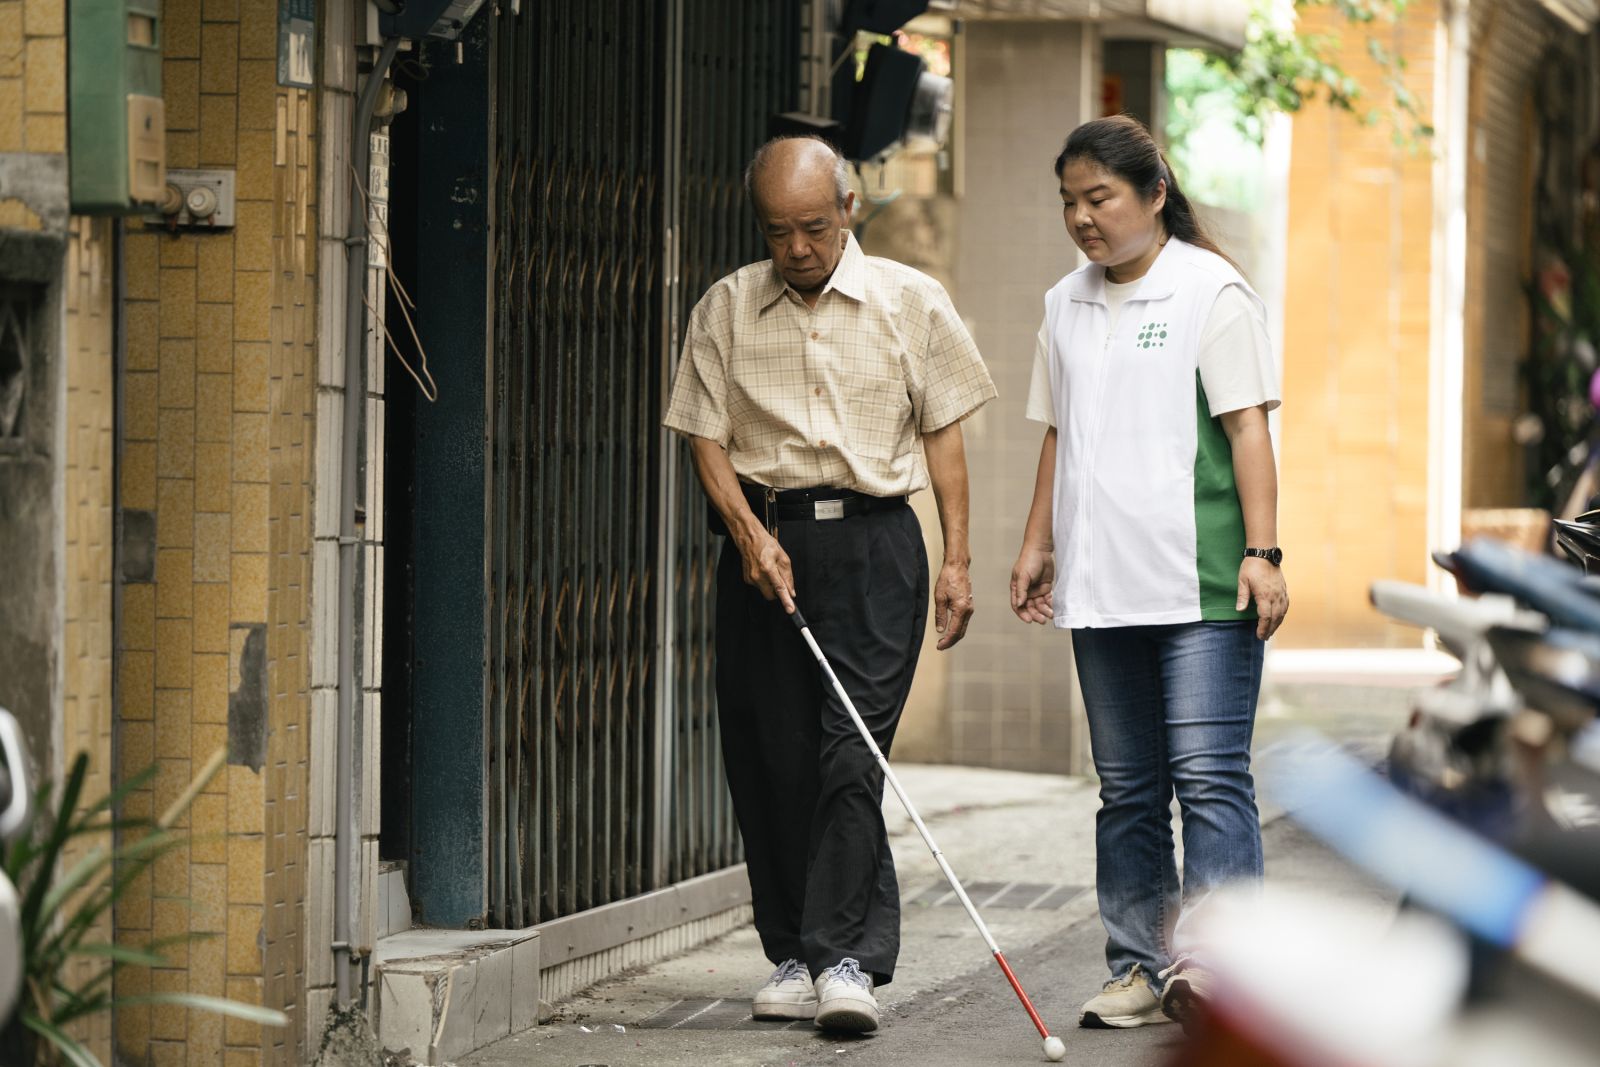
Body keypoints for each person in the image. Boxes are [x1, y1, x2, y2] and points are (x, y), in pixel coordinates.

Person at [662, 135, 996, 1034]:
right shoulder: (726, 307)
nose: (797, 248)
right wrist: (747, 533)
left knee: (852, 756)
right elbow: (703, 433)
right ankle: (792, 952)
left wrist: (957, 560)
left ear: (849, 207)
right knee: (770, 758)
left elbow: (944, 439)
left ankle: (846, 960)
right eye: (779, 232)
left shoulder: (911, 301)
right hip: (764, 547)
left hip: (877, 549)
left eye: (813, 226)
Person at [1008, 115, 1289, 1031]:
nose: (1082, 218)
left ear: (1154, 194)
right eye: (1069, 202)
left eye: (1100, 198)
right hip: (1102, 582)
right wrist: (1036, 542)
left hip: (1204, 582)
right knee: (1128, 787)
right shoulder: (1065, 302)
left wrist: (1264, 551)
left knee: (1209, 775)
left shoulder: (1212, 291)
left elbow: (1249, 427)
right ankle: (1138, 963)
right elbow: (1061, 433)